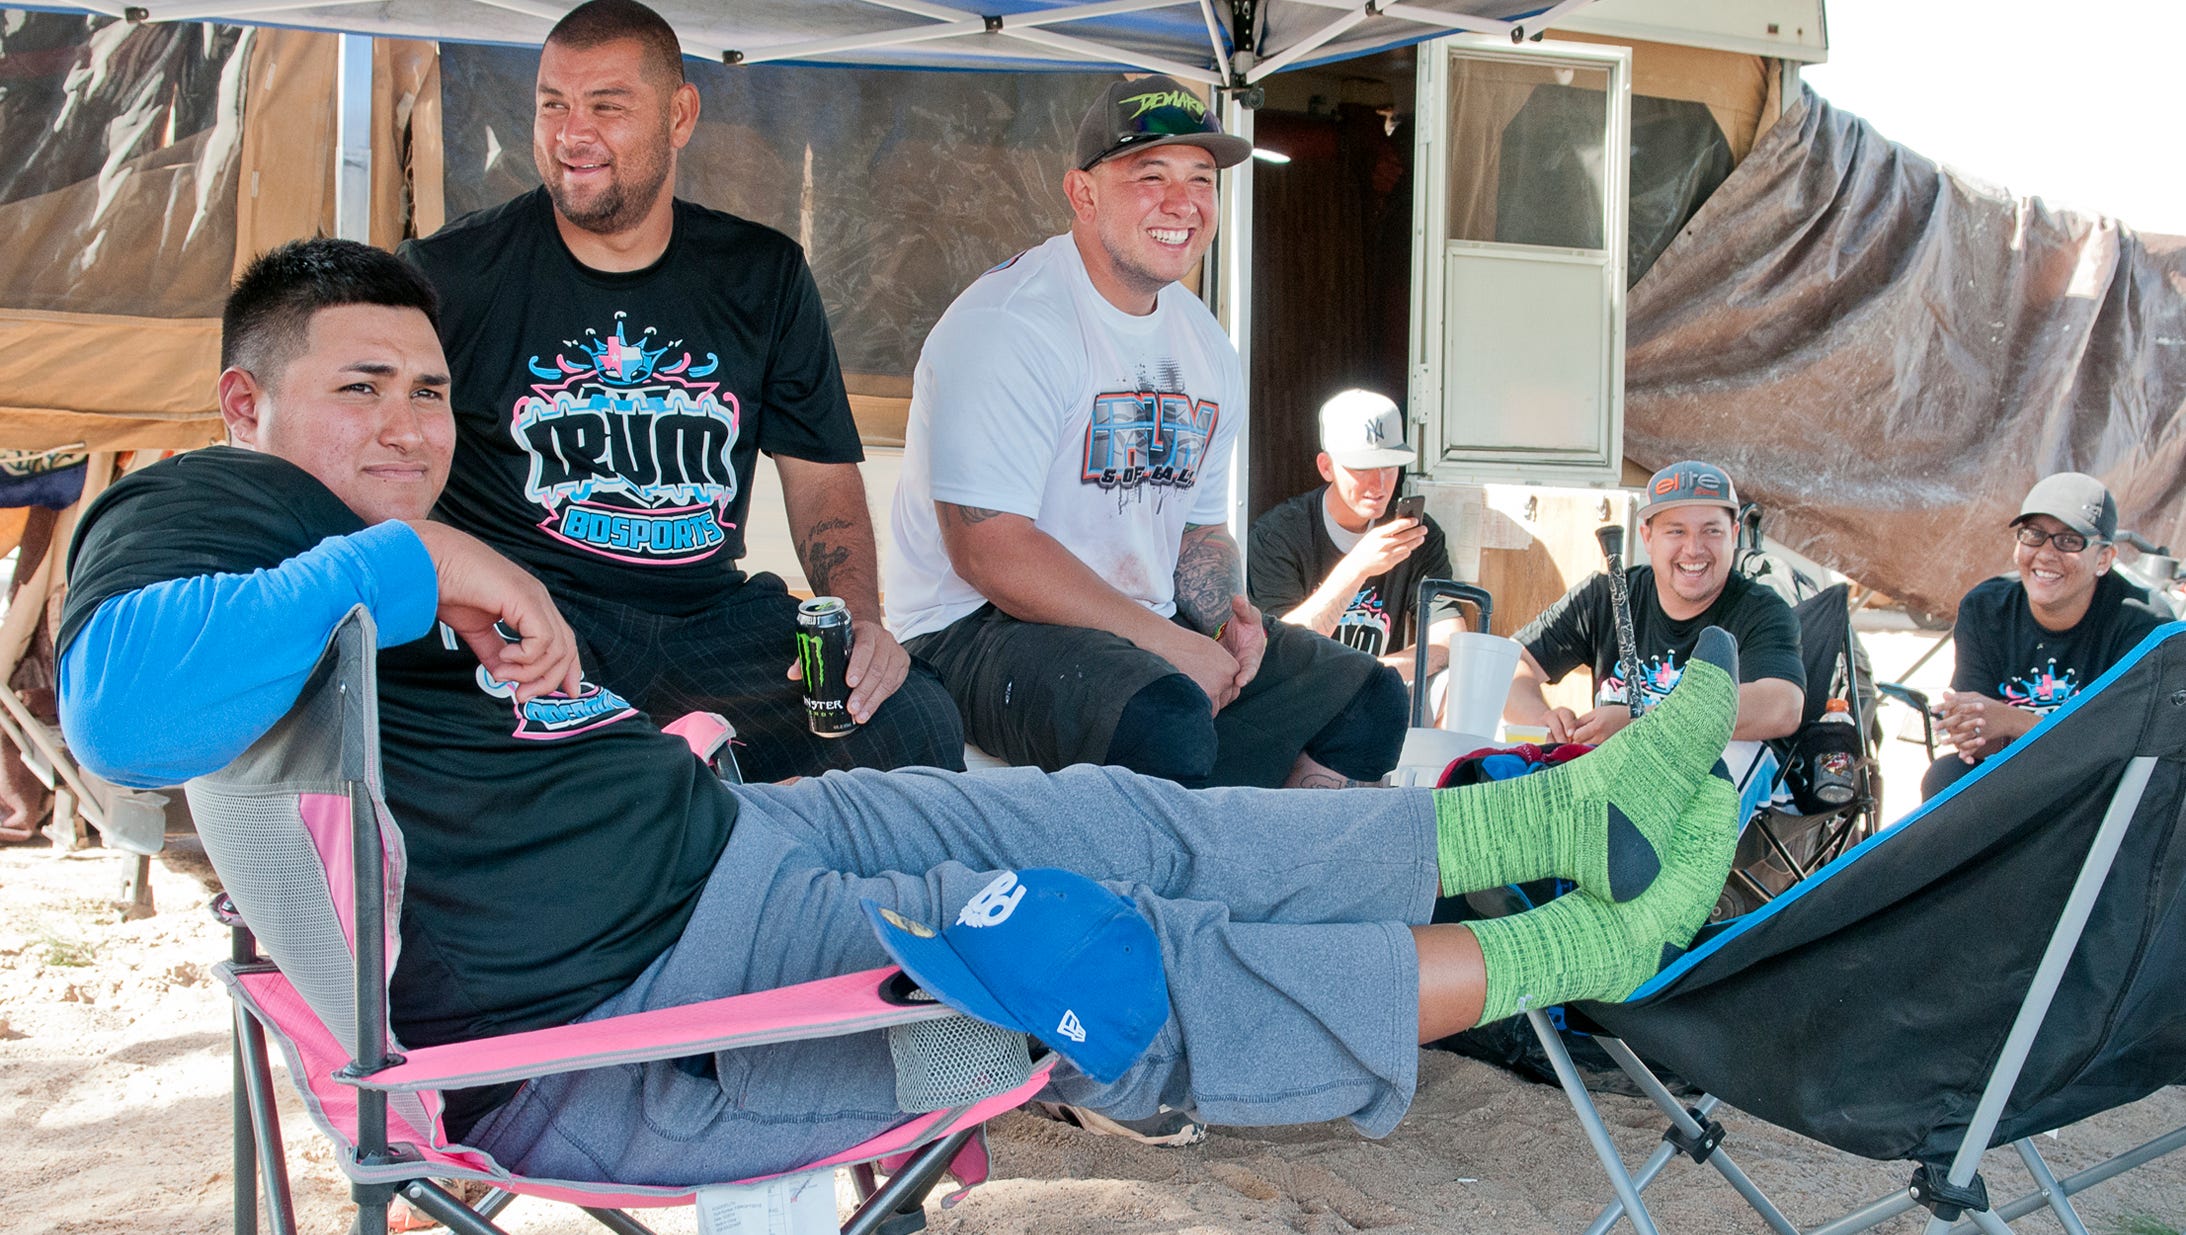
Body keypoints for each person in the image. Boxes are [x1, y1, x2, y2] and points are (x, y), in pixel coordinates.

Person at [58, 238, 1743, 1185]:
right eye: (364, 391)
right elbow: (121, 717)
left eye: (430, 392)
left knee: (1117, 812)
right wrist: (419, 558)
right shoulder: (215, 512)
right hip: (635, 999)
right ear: (245, 404)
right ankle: (1568, 954)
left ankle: (1548, 822)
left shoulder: (352, 536)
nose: (412, 427)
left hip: (724, 842)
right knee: (1098, 947)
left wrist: (816, 639)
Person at [397, 0, 963, 783]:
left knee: (910, 723)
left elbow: (823, 482)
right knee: (547, 776)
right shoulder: (447, 275)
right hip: (540, 616)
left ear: (680, 115)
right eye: (552, 104)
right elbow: (375, 452)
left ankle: (810, 886)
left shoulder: (761, 274)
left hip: (709, 617)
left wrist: (859, 622)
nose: (572, 134)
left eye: (607, 106)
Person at [885, 77, 1407, 790]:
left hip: (1138, 624)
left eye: (1201, 178)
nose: (1181, 202)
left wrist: (1228, 620)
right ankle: (1170, 893)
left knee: (1369, 700)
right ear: (1082, 193)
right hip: (972, 629)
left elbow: (1198, 529)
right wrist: (1164, 642)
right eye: (1150, 175)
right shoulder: (1010, 324)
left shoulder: (1204, 346)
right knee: (1166, 720)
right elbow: (989, 550)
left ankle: (1267, 874)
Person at [1505, 460, 1804, 807]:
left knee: (1731, 752)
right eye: (1676, 531)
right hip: (1620, 778)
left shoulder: (1761, 609)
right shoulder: (1608, 594)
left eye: (1711, 531)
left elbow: (1783, 706)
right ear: (1647, 536)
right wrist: (1545, 720)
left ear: (1734, 535)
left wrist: (1640, 721)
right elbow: (1511, 664)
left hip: (1727, 787)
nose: (1693, 549)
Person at [1922, 472, 2170, 799]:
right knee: (1945, 777)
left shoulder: (2143, 623)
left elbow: (2118, 749)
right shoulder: (1985, 609)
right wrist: (1971, 730)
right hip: (2018, 771)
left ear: (2104, 559)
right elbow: (1984, 741)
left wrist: (2014, 721)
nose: (2046, 553)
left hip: (2101, 791)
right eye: (2034, 534)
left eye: (2069, 540)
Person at [1248, 389, 1459, 691]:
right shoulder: (1277, 535)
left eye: (1389, 465)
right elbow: (1280, 652)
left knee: (1453, 684)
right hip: (1302, 696)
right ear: (1326, 467)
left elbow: (1447, 640)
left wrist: (1367, 674)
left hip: (1379, 688)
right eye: (1361, 467)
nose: (1380, 483)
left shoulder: (1416, 532)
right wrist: (1357, 568)